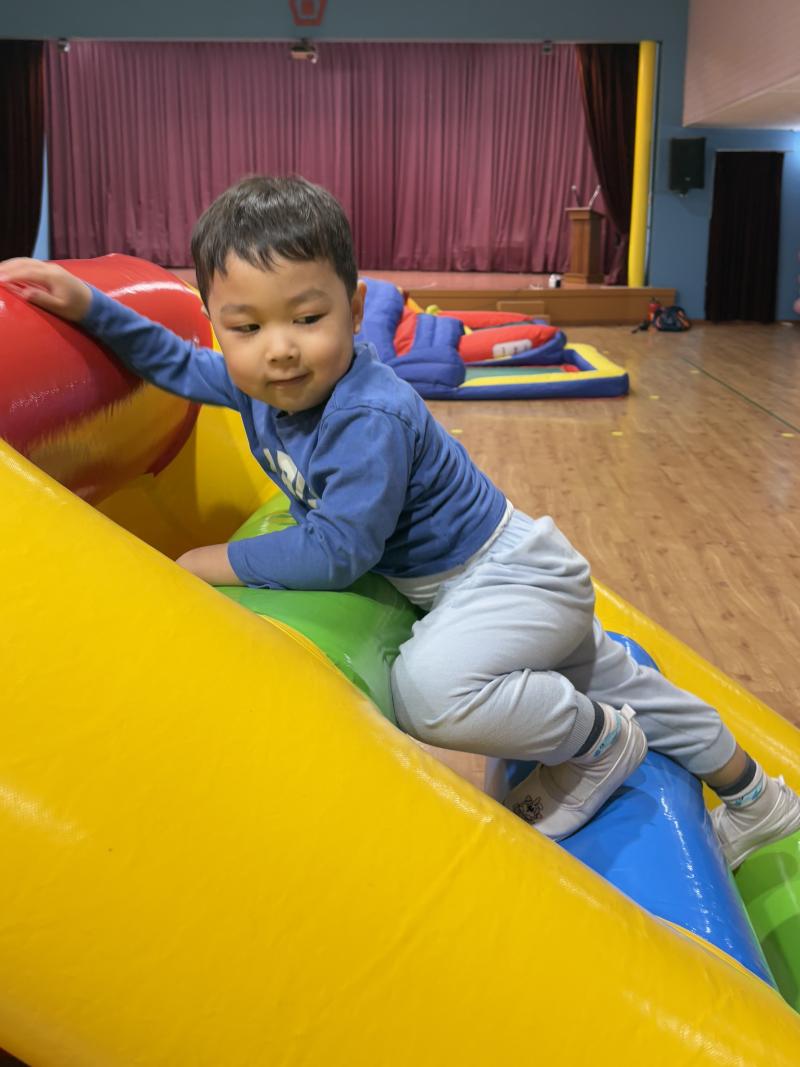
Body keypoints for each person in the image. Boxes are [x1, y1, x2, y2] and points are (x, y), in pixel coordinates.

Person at [2, 175, 798, 869]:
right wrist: (88, 305)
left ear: (353, 310)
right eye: (246, 328)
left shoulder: (366, 415)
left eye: (305, 318)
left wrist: (201, 561)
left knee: (428, 691)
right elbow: (174, 362)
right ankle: (758, 797)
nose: (278, 351)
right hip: (505, 574)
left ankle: (597, 742)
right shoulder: (255, 385)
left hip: (504, 576)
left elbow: (338, 552)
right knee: (639, 688)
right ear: (217, 322)